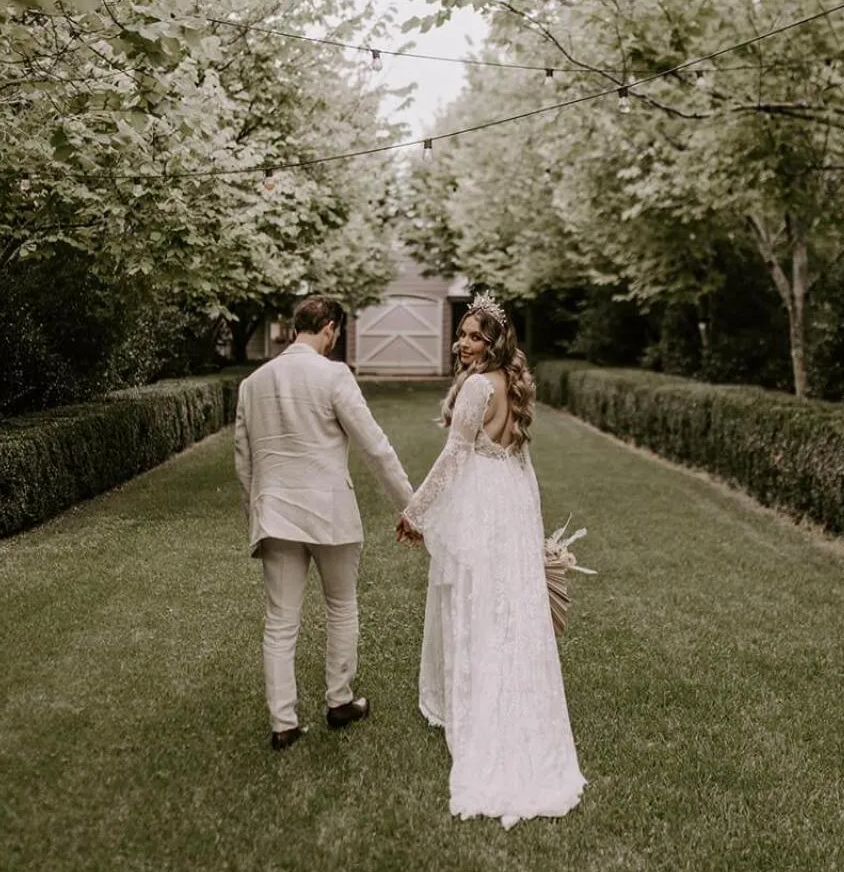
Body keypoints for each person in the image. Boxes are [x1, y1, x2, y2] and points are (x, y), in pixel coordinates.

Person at [398, 292, 586, 827]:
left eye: (475, 337)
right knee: (507, 606)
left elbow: (454, 456)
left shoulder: (479, 386)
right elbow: (522, 464)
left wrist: (415, 511)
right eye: (461, 334)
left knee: (478, 602)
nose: (463, 343)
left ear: (494, 343)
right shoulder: (514, 384)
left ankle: (480, 706)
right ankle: (511, 696)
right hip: (509, 500)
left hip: (482, 502)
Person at [234, 295, 416, 751]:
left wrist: (257, 513)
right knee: (341, 605)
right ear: (330, 328)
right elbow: (375, 447)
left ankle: (283, 723)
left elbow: (244, 460)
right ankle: (339, 700)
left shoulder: (253, 383)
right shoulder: (334, 375)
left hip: (275, 514)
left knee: (280, 620)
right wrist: (411, 506)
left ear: (297, 326)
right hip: (330, 513)